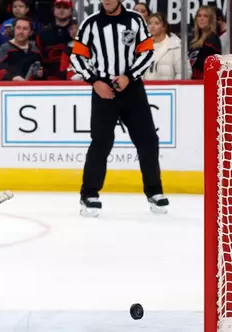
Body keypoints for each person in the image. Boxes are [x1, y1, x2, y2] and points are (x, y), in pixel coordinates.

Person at [70, 0, 168, 216]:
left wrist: (129, 76)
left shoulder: (135, 21)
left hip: (131, 88)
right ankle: (89, 194)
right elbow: (77, 56)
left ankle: (154, 191)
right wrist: (95, 81)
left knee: (148, 139)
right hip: (103, 89)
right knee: (101, 142)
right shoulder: (90, 24)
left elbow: (147, 51)